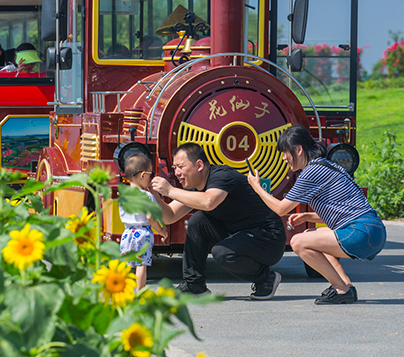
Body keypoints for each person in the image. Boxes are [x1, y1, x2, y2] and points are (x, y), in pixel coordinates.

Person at [247, 125, 387, 305]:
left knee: (298, 242)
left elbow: (281, 208)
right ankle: (344, 286)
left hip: (360, 232)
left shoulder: (311, 172)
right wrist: (307, 216)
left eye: (285, 152)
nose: (283, 158)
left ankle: (341, 288)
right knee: (310, 236)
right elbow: (344, 212)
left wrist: (256, 187)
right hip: (373, 230)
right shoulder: (328, 165)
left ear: (298, 149)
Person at [151, 143, 286, 298]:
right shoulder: (195, 185)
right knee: (198, 222)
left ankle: (266, 279)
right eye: (174, 168)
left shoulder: (222, 175)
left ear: (199, 165)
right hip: (240, 234)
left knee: (222, 253)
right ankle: (194, 285)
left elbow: (209, 202)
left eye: (180, 167)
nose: (177, 173)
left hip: (268, 238)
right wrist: (154, 197)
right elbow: (170, 216)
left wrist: (170, 190)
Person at [120, 153, 169, 290]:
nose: (150, 178)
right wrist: (161, 230)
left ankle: (124, 290)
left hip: (127, 233)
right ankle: (139, 292)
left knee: (127, 264)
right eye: (150, 175)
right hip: (143, 233)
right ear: (142, 175)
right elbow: (149, 217)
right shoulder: (147, 196)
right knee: (141, 265)